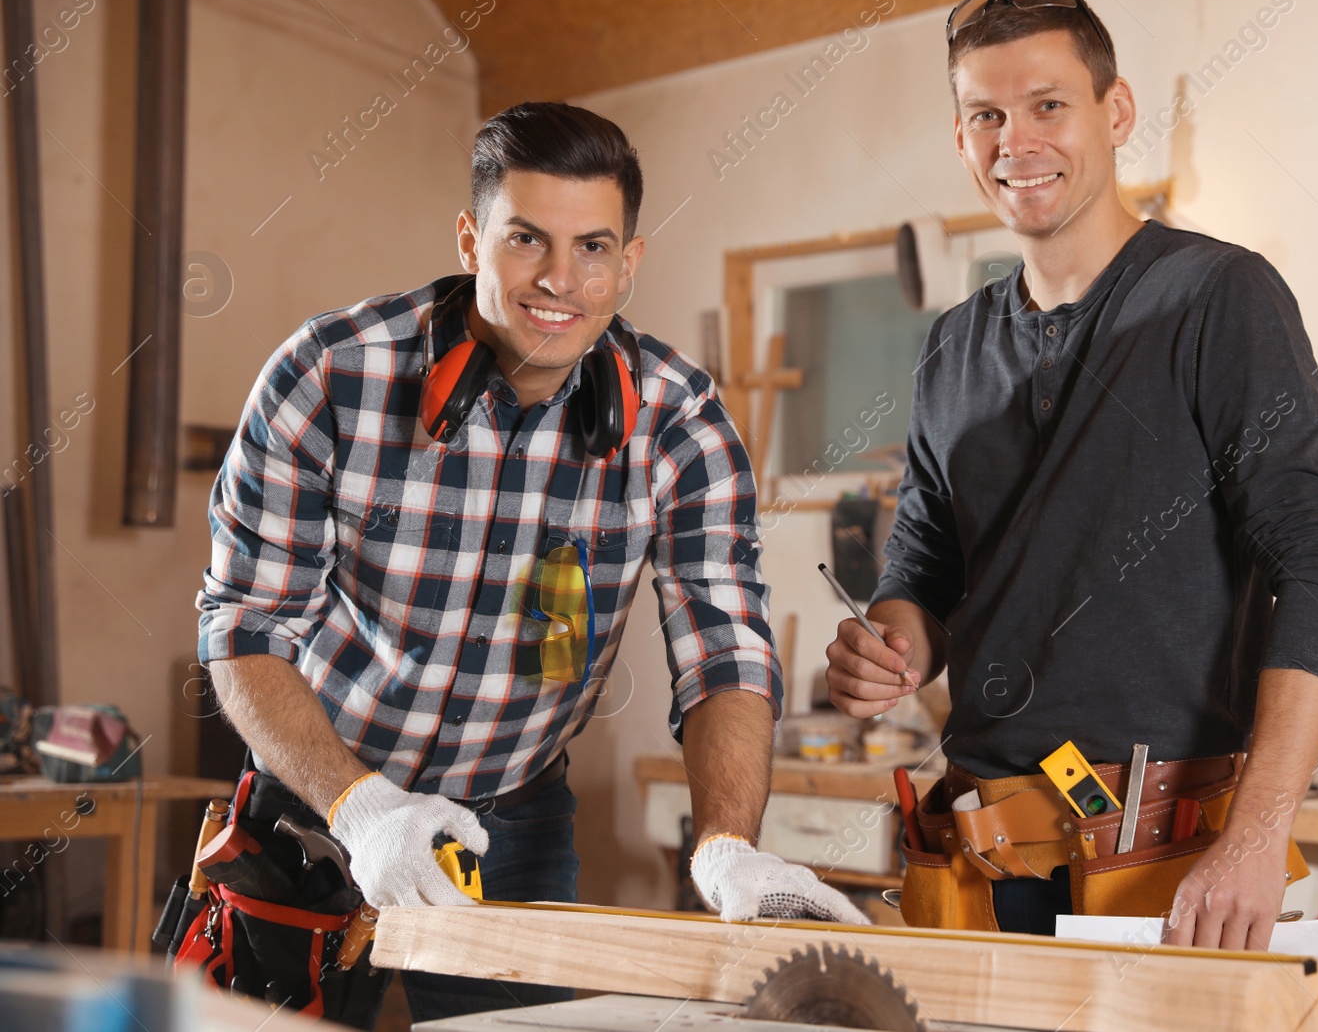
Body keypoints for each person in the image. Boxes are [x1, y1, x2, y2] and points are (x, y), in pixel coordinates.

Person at [198, 102, 864, 1027]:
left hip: (514, 824)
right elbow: (243, 627)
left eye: (594, 247)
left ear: (629, 263)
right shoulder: (329, 375)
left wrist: (726, 849)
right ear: (471, 237)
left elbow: (726, 654)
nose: (561, 278)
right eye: (526, 240)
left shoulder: (680, 421)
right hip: (313, 807)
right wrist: (362, 810)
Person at [824, 0, 1318, 950]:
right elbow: (924, 569)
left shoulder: (1217, 297)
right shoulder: (951, 344)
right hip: (981, 858)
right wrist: (892, 646)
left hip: (1163, 864)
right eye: (985, 115)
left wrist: (1257, 833)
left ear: (1114, 112)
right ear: (961, 140)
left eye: (1047, 105)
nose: (1014, 140)